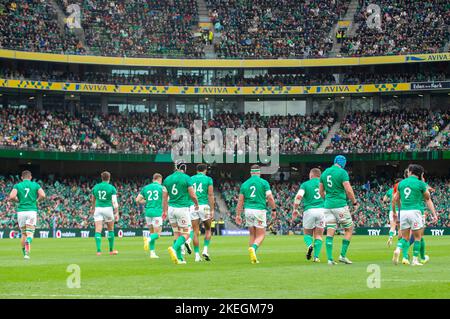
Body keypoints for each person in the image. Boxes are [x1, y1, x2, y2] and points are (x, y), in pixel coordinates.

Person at [392, 164, 438, 266]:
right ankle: (415, 260)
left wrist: (400, 210)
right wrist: (423, 186)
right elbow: (427, 197)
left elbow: (396, 198)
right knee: (418, 237)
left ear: (411, 171)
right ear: (419, 173)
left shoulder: (401, 183)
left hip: (403, 212)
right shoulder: (420, 184)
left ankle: (401, 253)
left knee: (404, 238)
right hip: (415, 212)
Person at [319, 155, 359, 265]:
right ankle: (342, 255)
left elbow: (321, 191)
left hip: (327, 206)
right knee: (349, 229)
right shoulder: (342, 173)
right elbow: (348, 190)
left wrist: (327, 200)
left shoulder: (325, 172)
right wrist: (354, 202)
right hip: (340, 205)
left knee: (330, 230)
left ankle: (330, 259)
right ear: (343, 164)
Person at [235, 165, 277, 264]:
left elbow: (240, 201)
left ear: (251, 173)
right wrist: (274, 209)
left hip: (248, 210)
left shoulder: (245, 184)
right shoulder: (264, 182)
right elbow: (270, 198)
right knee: (261, 234)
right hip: (259, 210)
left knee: (252, 235)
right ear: (259, 172)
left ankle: (252, 257)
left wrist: (238, 215)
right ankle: (253, 249)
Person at [164, 161, 199, 265]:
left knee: (176, 233)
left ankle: (179, 258)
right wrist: (196, 203)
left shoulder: (167, 179)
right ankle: (174, 249)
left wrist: (164, 210)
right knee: (186, 233)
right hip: (182, 209)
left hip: (171, 209)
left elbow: (164, 197)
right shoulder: (186, 178)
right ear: (184, 167)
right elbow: (192, 195)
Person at [9, 170, 46, 260]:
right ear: (30, 177)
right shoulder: (35, 185)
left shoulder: (17, 185)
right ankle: (28, 241)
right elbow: (43, 195)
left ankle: (25, 254)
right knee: (30, 233)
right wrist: (37, 201)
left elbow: (11, 196)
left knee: (23, 234)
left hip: (21, 211)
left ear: (22, 177)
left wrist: (19, 201)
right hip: (31, 211)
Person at [292, 168, 325, 262]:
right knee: (319, 235)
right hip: (322, 210)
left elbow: (298, 196)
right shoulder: (323, 184)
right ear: (320, 176)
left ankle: (310, 245)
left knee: (307, 233)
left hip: (309, 210)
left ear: (311, 175)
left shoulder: (305, 184)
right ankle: (316, 257)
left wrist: (295, 209)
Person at [136, 173, 166, 259]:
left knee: (152, 232)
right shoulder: (162, 188)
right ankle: (148, 239)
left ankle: (152, 253)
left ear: (153, 179)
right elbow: (166, 200)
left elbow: (137, 200)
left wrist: (147, 201)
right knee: (157, 234)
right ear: (160, 180)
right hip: (157, 212)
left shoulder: (146, 188)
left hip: (148, 213)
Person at [189, 164, 215, 262]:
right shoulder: (208, 179)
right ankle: (205, 250)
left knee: (195, 231)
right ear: (205, 170)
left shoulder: (190, 179)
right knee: (208, 229)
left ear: (197, 170)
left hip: (193, 206)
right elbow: (211, 194)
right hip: (204, 206)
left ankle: (196, 256)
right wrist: (212, 209)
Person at [91, 171, 119, 256]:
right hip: (108, 209)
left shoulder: (96, 187)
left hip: (98, 208)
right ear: (109, 178)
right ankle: (111, 250)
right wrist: (117, 212)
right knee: (110, 229)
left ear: (101, 178)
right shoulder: (111, 188)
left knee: (98, 229)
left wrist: (93, 208)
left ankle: (99, 251)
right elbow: (114, 202)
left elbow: (93, 199)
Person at [383, 178, 402, 247]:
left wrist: (389, 200)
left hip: (392, 210)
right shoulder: (401, 190)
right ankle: (399, 244)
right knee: (400, 228)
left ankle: (391, 237)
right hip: (400, 210)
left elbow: (384, 199)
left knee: (392, 226)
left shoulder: (390, 190)